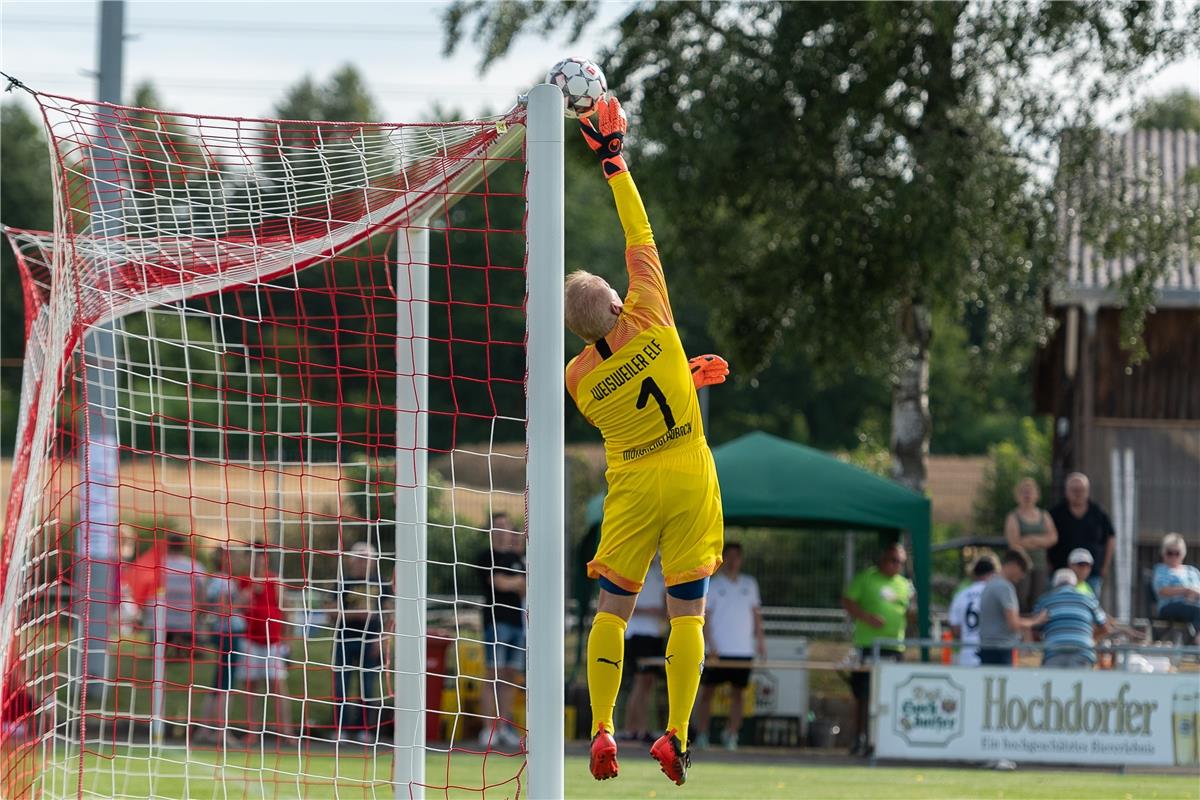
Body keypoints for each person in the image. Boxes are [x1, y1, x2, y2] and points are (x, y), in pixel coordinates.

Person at [563, 95, 730, 786]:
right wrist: (612, 160)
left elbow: (629, 390)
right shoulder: (652, 312)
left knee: (615, 611)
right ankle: (675, 735)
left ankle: (602, 728)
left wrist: (680, 376)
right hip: (688, 469)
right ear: (614, 301)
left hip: (631, 481)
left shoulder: (577, 378)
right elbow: (640, 231)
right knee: (688, 611)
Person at [841, 543, 914, 755]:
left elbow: (909, 611)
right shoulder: (867, 578)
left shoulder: (904, 585)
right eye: (892, 560)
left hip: (894, 647)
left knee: (890, 695)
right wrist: (866, 617)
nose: (896, 565)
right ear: (882, 560)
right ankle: (859, 738)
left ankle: (885, 740)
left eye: (900, 562)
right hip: (868, 646)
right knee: (863, 694)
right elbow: (847, 601)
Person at [693, 543, 765, 752]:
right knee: (707, 693)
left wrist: (761, 641)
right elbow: (705, 617)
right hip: (717, 651)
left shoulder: (750, 584)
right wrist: (710, 645)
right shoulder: (713, 585)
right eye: (729, 556)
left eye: (736, 557)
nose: (733, 561)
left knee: (739, 694)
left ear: (741, 560)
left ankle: (732, 734)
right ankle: (703, 734)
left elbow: (756, 615)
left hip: (743, 650)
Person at [334, 540, 392, 743]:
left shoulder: (381, 583)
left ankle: (364, 729)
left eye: (366, 559)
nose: (362, 563)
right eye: (358, 558)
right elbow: (331, 611)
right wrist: (352, 615)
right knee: (341, 685)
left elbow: (389, 613)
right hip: (345, 638)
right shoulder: (343, 582)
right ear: (351, 561)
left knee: (368, 686)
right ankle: (340, 728)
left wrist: (382, 638)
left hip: (371, 640)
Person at [478, 512, 526, 750]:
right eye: (496, 527)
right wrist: (515, 582)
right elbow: (499, 583)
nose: (501, 531)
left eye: (505, 527)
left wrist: (514, 582)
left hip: (518, 624)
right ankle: (489, 728)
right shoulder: (487, 556)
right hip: (495, 622)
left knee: (510, 676)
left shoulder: (518, 559)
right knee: (492, 675)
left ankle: (504, 726)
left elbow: (524, 588)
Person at [235, 542, 293, 739]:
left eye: (260, 555)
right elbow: (237, 606)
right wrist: (251, 588)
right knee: (250, 686)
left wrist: (289, 639)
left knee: (278, 686)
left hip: (273, 641)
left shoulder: (274, 579)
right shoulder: (243, 580)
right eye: (252, 556)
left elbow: (286, 608)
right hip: (250, 640)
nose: (257, 559)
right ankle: (252, 730)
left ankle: (285, 730)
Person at [197, 543, 247, 745]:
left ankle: (203, 729)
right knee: (227, 683)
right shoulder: (221, 581)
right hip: (228, 632)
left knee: (218, 683)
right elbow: (222, 608)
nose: (237, 560)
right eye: (232, 557)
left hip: (224, 632)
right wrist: (242, 602)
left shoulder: (217, 580)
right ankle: (221, 731)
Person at [618, 555, 666, 744]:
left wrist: (662, 613)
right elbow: (623, 603)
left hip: (654, 634)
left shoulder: (661, 572)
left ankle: (642, 728)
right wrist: (648, 611)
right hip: (637, 633)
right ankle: (632, 729)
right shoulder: (634, 565)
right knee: (640, 681)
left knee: (649, 682)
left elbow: (665, 605)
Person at [1048, 473, 1115, 597]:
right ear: (1066, 491)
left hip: (1092, 574)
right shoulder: (1056, 513)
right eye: (1074, 490)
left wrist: (1105, 566)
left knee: (1090, 608)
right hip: (1062, 574)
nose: (1078, 493)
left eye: (1081, 490)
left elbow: (1111, 537)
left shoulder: (1099, 512)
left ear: (1087, 491)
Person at [977, 551, 1046, 666]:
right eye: (1022, 570)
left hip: (986, 647)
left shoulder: (990, 584)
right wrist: (1035, 621)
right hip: (1001, 649)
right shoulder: (1005, 587)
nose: (1023, 576)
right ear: (1013, 565)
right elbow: (1013, 624)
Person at [1033, 569, 1110, 668]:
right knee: (1080, 683)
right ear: (1075, 584)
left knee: (1055, 683)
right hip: (1083, 652)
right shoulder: (1088, 599)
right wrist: (1088, 637)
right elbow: (1105, 628)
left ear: (1054, 585)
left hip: (1053, 653)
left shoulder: (1044, 600)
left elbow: (1034, 630)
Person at [1004, 478, 1058, 611]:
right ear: (1017, 495)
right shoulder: (1013, 517)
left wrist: (1030, 539)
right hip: (1021, 566)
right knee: (1021, 598)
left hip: (1040, 564)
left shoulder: (1043, 515)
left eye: (1030, 492)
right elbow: (1014, 543)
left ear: (1037, 495)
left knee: (1039, 599)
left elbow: (1052, 537)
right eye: (1024, 492)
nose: (1027, 495)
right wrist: (1040, 541)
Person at [160, 532, 207, 649]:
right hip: (186, 619)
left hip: (162, 618)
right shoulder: (194, 565)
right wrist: (200, 614)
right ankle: (180, 647)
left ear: (168, 545)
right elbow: (201, 594)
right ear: (184, 546)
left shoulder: (159, 564)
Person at [947, 556, 997, 667]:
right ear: (993, 573)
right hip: (991, 653)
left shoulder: (961, 594)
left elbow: (955, 629)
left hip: (967, 654)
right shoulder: (994, 592)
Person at [1151, 533, 1200, 639]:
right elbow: (1162, 590)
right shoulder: (1160, 570)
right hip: (1169, 606)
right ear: (1164, 553)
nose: (1173, 556)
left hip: (1194, 604)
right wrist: (1185, 590)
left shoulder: (1192, 571)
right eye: (1170, 553)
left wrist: (1193, 593)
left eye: (1177, 553)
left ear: (1183, 554)